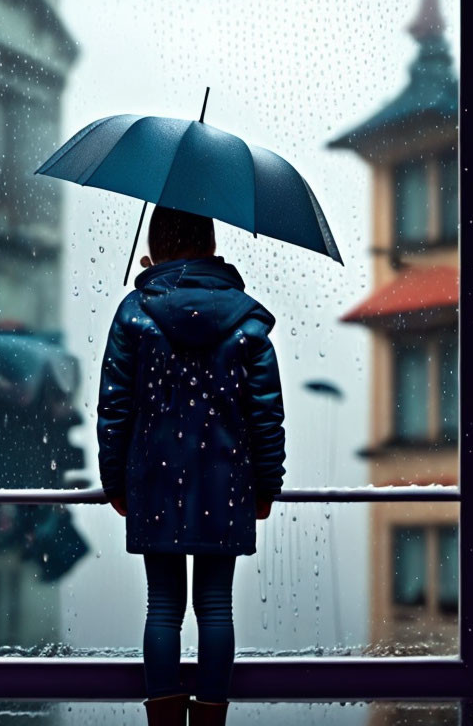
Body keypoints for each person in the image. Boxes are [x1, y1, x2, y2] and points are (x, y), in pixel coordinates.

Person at [97, 205, 286, 726]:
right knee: (216, 606)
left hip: (153, 481)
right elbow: (266, 412)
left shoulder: (135, 313)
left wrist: (115, 480)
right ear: (211, 246)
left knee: (162, 605)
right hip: (226, 483)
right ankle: (209, 720)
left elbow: (114, 406)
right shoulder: (245, 320)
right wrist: (267, 485)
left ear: (154, 248)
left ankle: (162, 720)